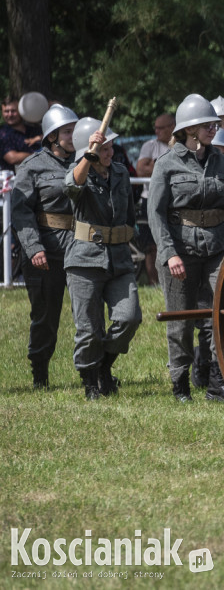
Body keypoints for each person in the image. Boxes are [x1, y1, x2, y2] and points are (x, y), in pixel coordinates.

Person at [148, 94, 224, 402]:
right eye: (208, 124)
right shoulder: (166, 164)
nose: (214, 128)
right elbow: (156, 213)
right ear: (190, 129)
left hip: (219, 249)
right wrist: (168, 253)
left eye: (216, 124)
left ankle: (219, 380)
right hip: (181, 251)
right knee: (181, 319)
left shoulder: (220, 161)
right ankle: (180, 383)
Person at [64, 116, 142, 399]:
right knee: (89, 329)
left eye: (111, 147)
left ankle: (103, 367)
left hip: (119, 259)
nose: (110, 153)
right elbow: (72, 187)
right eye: (105, 148)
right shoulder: (79, 170)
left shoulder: (120, 172)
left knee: (129, 318)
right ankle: (89, 381)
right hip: (85, 261)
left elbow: (129, 213)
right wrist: (88, 154)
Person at [10, 104, 78, 388]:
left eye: (75, 130)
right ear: (52, 137)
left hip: (79, 249)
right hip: (45, 253)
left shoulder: (86, 163)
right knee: (45, 318)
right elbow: (21, 211)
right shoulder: (32, 167)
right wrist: (34, 248)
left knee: (89, 315)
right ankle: (40, 372)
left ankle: (98, 370)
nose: (73, 135)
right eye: (67, 131)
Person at [134, 112, 175, 285]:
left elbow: (148, 168)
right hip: (149, 199)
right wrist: (167, 167)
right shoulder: (150, 146)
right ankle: (153, 282)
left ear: (172, 127)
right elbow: (140, 170)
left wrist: (155, 165)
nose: (156, 131)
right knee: (151, 246)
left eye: (161, 128)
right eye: (155, 128)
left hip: (173, 201)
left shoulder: (179, 145)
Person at [1, 94, 44, 171]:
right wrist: (41, 156)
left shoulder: (35, 129)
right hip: (14, 180)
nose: (10, 115)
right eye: (6, 111)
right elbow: (13, 158)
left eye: (13, 111)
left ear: (21, 111)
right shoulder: (2, 134)